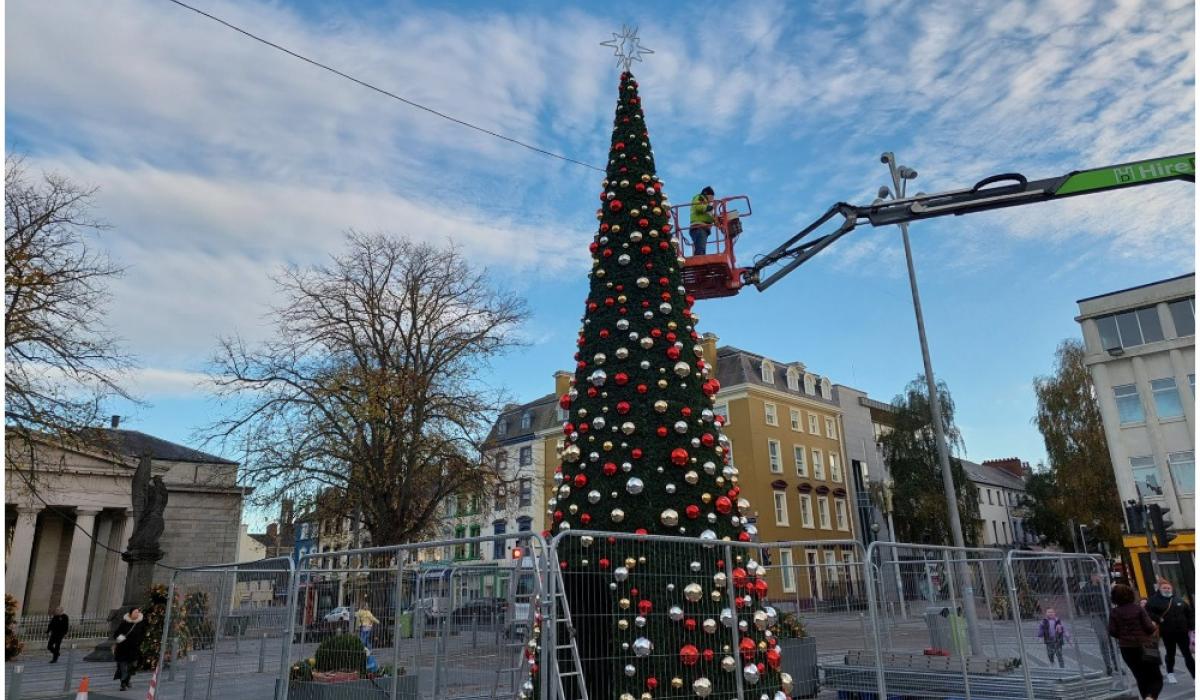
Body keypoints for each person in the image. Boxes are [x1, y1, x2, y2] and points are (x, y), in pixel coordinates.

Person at [1109, 583, 1163, 700]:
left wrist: (1123, 635)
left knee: (1140, 677)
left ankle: (1145, 697)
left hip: (1127, 648)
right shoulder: (1138, 609)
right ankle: (1151, 697)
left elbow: (1112, 631)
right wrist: (1154, 626)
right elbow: (1149, 628)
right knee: (1156, 677)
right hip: (1147, 645)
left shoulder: (1114, 612)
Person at [1146, 579, 1194, 683]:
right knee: (1170, 653)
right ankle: (1170, 673)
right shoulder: (1153, 600)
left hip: (1182, 632)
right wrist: (1158, 618)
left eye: (1168, 588)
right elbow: (1147, 612)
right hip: (1167, 633)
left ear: (1171, 588)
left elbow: (1189, 614)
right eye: (1164, 588)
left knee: (1188, 655)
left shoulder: (1179, 600)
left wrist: (1191, 628)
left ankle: (1195, 676)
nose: (1167, 589)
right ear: (1160, 589)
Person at [1077, 572, 1116, 674]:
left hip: (1108, 614)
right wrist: (1090, 611)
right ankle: (1108, 666)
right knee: (1103, 639)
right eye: (1098, 575)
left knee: (1112, 640)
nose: (1100, 577)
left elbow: (1111, 598)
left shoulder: (1105, 587)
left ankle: (1116, 664)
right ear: (1093, 576)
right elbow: (1079, 601)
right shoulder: (1087, 588)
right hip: (1097, 616)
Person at [113, 607, 146, 691]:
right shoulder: (124, 622)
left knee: (132, 666)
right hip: (122, 649)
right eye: (135, 612)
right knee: (123, 667)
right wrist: (119, 637)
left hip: (134, 649)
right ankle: (123, 683)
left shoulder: (140, 623)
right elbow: (116, 633)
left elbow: (143, 634)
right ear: (130, 613)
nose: (137, 613)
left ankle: (127, 680)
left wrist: (139, 642)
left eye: (138, 612)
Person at [688, 186, 715, 255]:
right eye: (712, 197)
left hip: (703, 229)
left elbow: (709, 217)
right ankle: (697, 262)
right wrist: (710, 207)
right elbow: (697, 207)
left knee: (700, 249)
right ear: (706, 194)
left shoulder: (707, 205)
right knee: (700, 250)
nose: (712, 199)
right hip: (698, 227)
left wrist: (717, 219)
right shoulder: (700, 197)